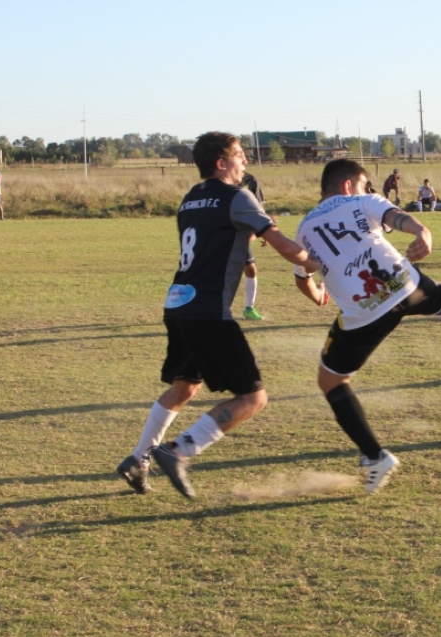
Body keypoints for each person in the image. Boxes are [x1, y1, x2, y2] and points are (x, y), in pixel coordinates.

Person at [293, 159, 441, 494]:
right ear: (349, 185)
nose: (367, 190)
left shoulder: (304, 228)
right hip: (403, 284)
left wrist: (318, 295)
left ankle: (374, 456)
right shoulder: (361, 201)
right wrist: (422, 231)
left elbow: (302, 277)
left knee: (331, 380)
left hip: (363, 311)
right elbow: (397, 217)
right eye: (365, 184)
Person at [116, 132, 320, 499]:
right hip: (209, 310)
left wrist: (256, 224)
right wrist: (317, 262)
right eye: (240, 156)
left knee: (184, 387)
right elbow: (286, 248)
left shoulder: (191, 198)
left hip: (178, 304)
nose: (245, 162)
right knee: (253, 398)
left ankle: (137, 460)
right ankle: (176, 452)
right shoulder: (236, 196)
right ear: (221, 163)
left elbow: (224, 240)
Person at [239, 171, 266, 320]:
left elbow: (258, 208)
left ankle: (249, 308)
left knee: (250, 269)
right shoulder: (217, 182)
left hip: (238, 233)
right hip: (220, 234)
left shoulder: (250, 180)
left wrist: (263, 227)